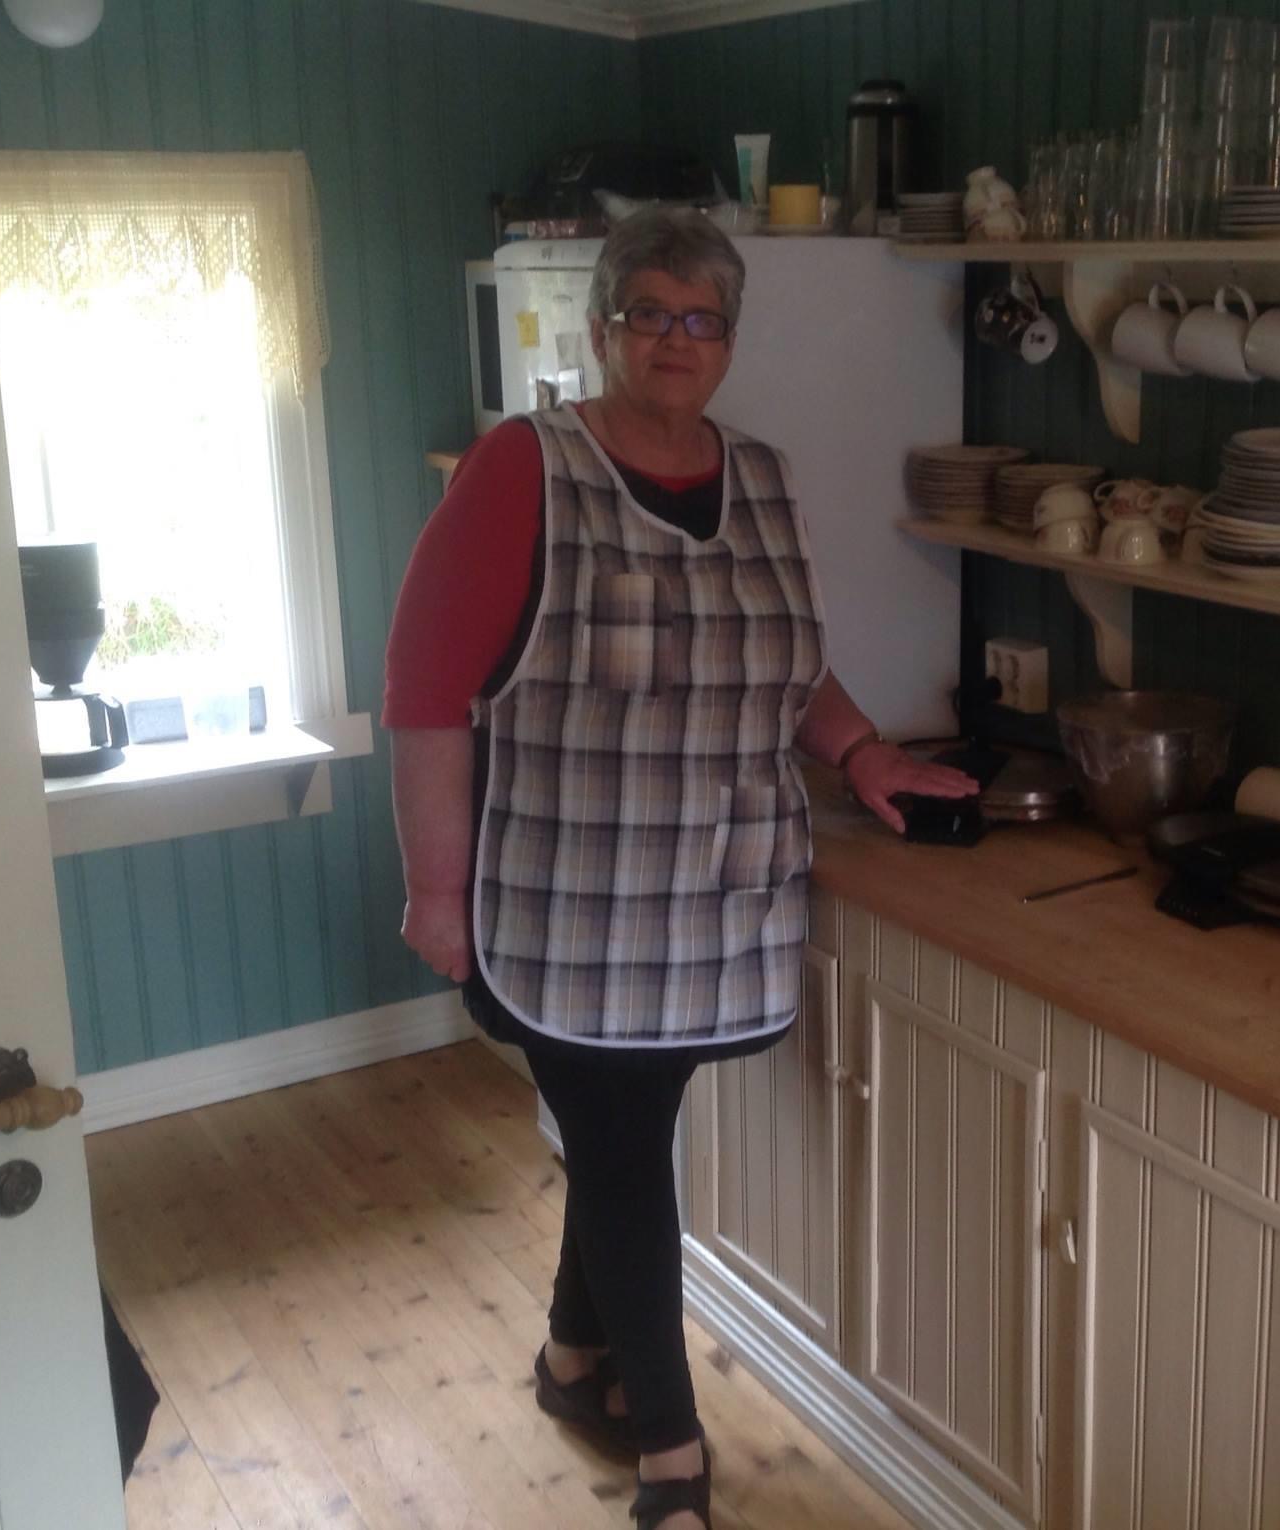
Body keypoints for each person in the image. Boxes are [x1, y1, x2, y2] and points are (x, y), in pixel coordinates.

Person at [384, 206, 975, 1530]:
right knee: (626, 1154)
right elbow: (425, 692)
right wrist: (432, 890)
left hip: (716, 900)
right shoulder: (524, 466)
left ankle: (569, 1356)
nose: (674, 339)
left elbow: (782, 663)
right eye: (647, 312)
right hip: (563, 911)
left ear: (729, 343)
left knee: (622, 1139)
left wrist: (863, 752)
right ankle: (670, 1453)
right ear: (602, 330)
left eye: (701, 319)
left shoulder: (758, 476)